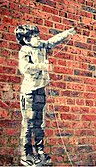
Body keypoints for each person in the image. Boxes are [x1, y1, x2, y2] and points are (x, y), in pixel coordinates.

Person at [15, 25, 76, 166]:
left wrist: (68, 33)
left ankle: (39, 151)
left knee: (39, 124)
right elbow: (25, 69)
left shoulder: (42, 45)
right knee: (28, 124)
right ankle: (26, 154)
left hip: (41, 91)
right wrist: (42, 66)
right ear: (26, 39)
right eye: (35, 36)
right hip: (30, 92)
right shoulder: (25, 50)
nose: (38, 38)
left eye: (38, 35)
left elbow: (53, 41)